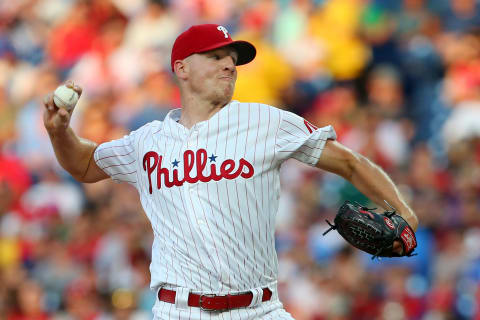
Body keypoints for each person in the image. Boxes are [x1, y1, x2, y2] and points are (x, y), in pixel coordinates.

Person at [43, 24, 419, 319]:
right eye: (216, 56)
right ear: (182, 68)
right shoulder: (147, 141)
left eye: (232, 58)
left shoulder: (266, 122)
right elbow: (86, 164)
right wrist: (59, 132)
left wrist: (406, 212)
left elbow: (351, 162)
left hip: (260, 309)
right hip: (179, 311)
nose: (229, 64)